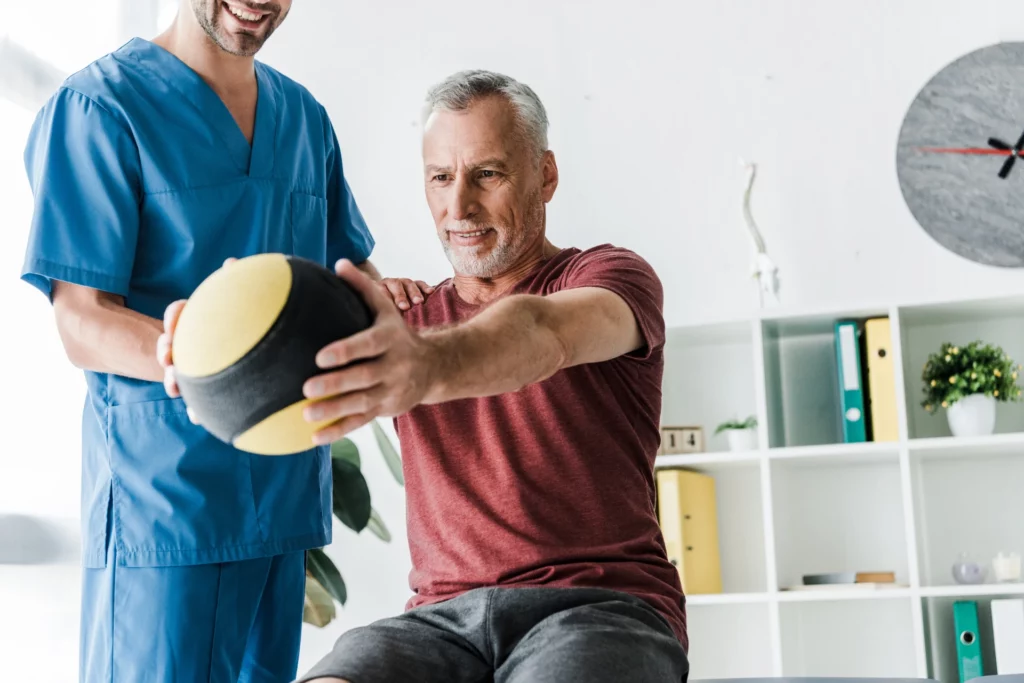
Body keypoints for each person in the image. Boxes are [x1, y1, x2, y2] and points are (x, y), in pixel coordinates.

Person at [164, 70, 690, 682]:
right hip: (440, 624)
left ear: (545, 175)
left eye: (487, 174)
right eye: (441, 178)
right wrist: (208, 342)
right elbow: (275, 354)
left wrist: (424, 366)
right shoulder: (399, 321)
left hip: (599, 607)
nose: (459, 205)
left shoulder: (610, 278)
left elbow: (544, 332)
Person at [19, 2, 426, 681]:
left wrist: (389, 305)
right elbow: (82, 319)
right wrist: (198, 355)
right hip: (167, 507)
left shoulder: (304, 120)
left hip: (283, 493)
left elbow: (337, 279)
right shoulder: (100, 107)